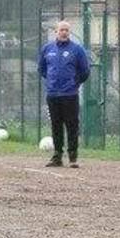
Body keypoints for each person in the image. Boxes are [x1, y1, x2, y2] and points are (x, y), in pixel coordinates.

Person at [38, 20, 90, 168]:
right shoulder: (47, 49)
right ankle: (57, 156)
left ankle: (73, 157)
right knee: (56, 125)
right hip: (53, 95)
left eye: (67, 30)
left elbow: (85, 71)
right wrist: (52, 83)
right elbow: (42, 69)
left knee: (72, 125)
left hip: (70, 95)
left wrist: (74, 83)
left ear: (69, 32)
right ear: (56, 32)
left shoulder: (77, 50)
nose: (64, 32)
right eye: (61, 30)